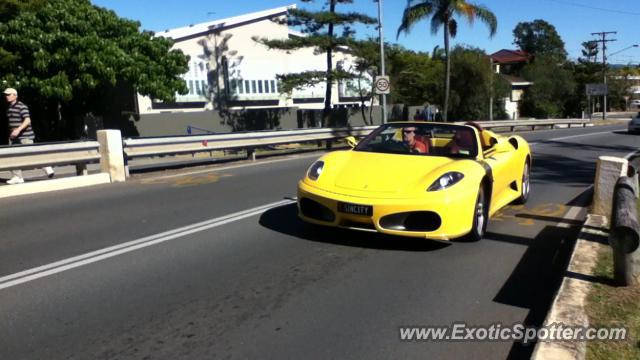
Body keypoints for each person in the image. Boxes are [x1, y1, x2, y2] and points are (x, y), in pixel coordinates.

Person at [5, 88, 54, 184]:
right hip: (14, 137)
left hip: (25, 136)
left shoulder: (22, 106)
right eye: (6, 95)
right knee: (11, 156)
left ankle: (46, 166)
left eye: (8, 94)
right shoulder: (9, 108)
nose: (6, 96)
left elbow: (27, 120)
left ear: (15, 95)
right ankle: (17, 177)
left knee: (31, 156)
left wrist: (18, 130)